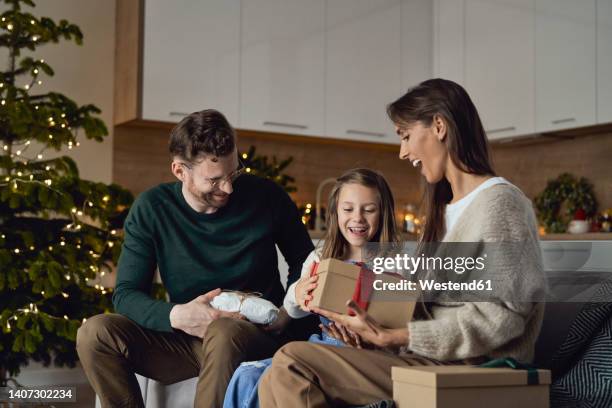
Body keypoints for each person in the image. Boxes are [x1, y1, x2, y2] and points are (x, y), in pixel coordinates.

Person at [258, 78, 547, 407]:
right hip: (432, 360)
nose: (402, 151)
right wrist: (374, 335)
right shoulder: (444, 210)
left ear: (438, 125)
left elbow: (503, 318)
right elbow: (431, 311)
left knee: (293, 362)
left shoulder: (499, 203)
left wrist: (399, 336)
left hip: (480, 369)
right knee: (277, 373)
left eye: (406, 135)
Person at [76, 109, 316, 408]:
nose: (228, 188)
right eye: (214, 180)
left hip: (253, 335)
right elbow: (126, 295)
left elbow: (307, 264)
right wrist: (178, 315)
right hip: (186, 339)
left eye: (234, 173)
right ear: (180, 171)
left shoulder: (267, 197)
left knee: (224, 330)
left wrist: (286, 312)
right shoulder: (152, 208)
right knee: (95, 332)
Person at [223, 168, 399, 408]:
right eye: (348, 209)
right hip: (324, 346)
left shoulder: (394, 263)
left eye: (369, 210)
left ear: (383, 213)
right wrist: (298, 294)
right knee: (247, 374)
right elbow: (294, 311)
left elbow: (402, 330)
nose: (358, 218)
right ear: (336, 212)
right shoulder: (320, 258)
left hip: (369, 355)